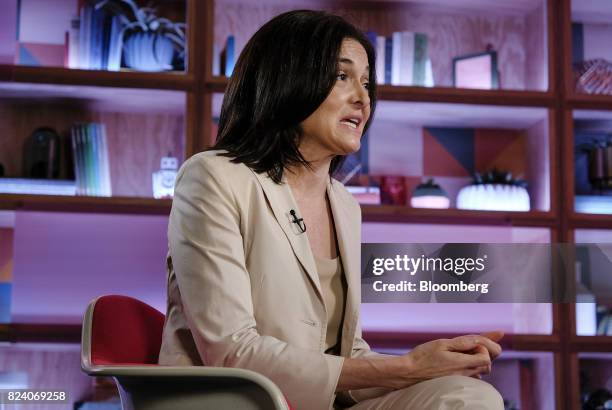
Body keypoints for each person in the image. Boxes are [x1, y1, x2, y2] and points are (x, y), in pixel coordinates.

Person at [159, 9, 505, 410]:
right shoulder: (213, 177)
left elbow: (347, 355)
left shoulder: (344, 204)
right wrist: (408, 367)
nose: (362, 98)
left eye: (366, 83)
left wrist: (432, 366)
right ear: (287, 79)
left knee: (469, 396)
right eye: (342, 76)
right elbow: (233, 353)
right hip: (235, 401)